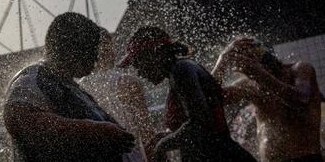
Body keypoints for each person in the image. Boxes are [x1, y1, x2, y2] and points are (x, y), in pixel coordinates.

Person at [4, 12, 136, 162]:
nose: (95, 58)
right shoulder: (34, 77)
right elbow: (18, 118)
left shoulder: (69, 85)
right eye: (91, 49)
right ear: (71, 49)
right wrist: (93, 131)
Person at [118, 26, 256, 162]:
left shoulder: (181, 71)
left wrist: (162, 145)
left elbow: (200, 124)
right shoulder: (181, 70)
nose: (138, 73)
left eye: (137, 63)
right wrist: (168, 135)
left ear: (155, 54)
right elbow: (199, 121)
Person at [212, 37, 323, 162]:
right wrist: (222, 61)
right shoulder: (249, 85)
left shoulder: (299, 69)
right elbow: (210, 98)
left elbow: (299, 100)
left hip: (306, 158)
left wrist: (258, 74)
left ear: (265, 56)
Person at [80, 27, 155, 161]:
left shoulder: (77, 88)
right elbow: (146, 133)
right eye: (110, 47)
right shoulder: (127, 82)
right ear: (106, 50)